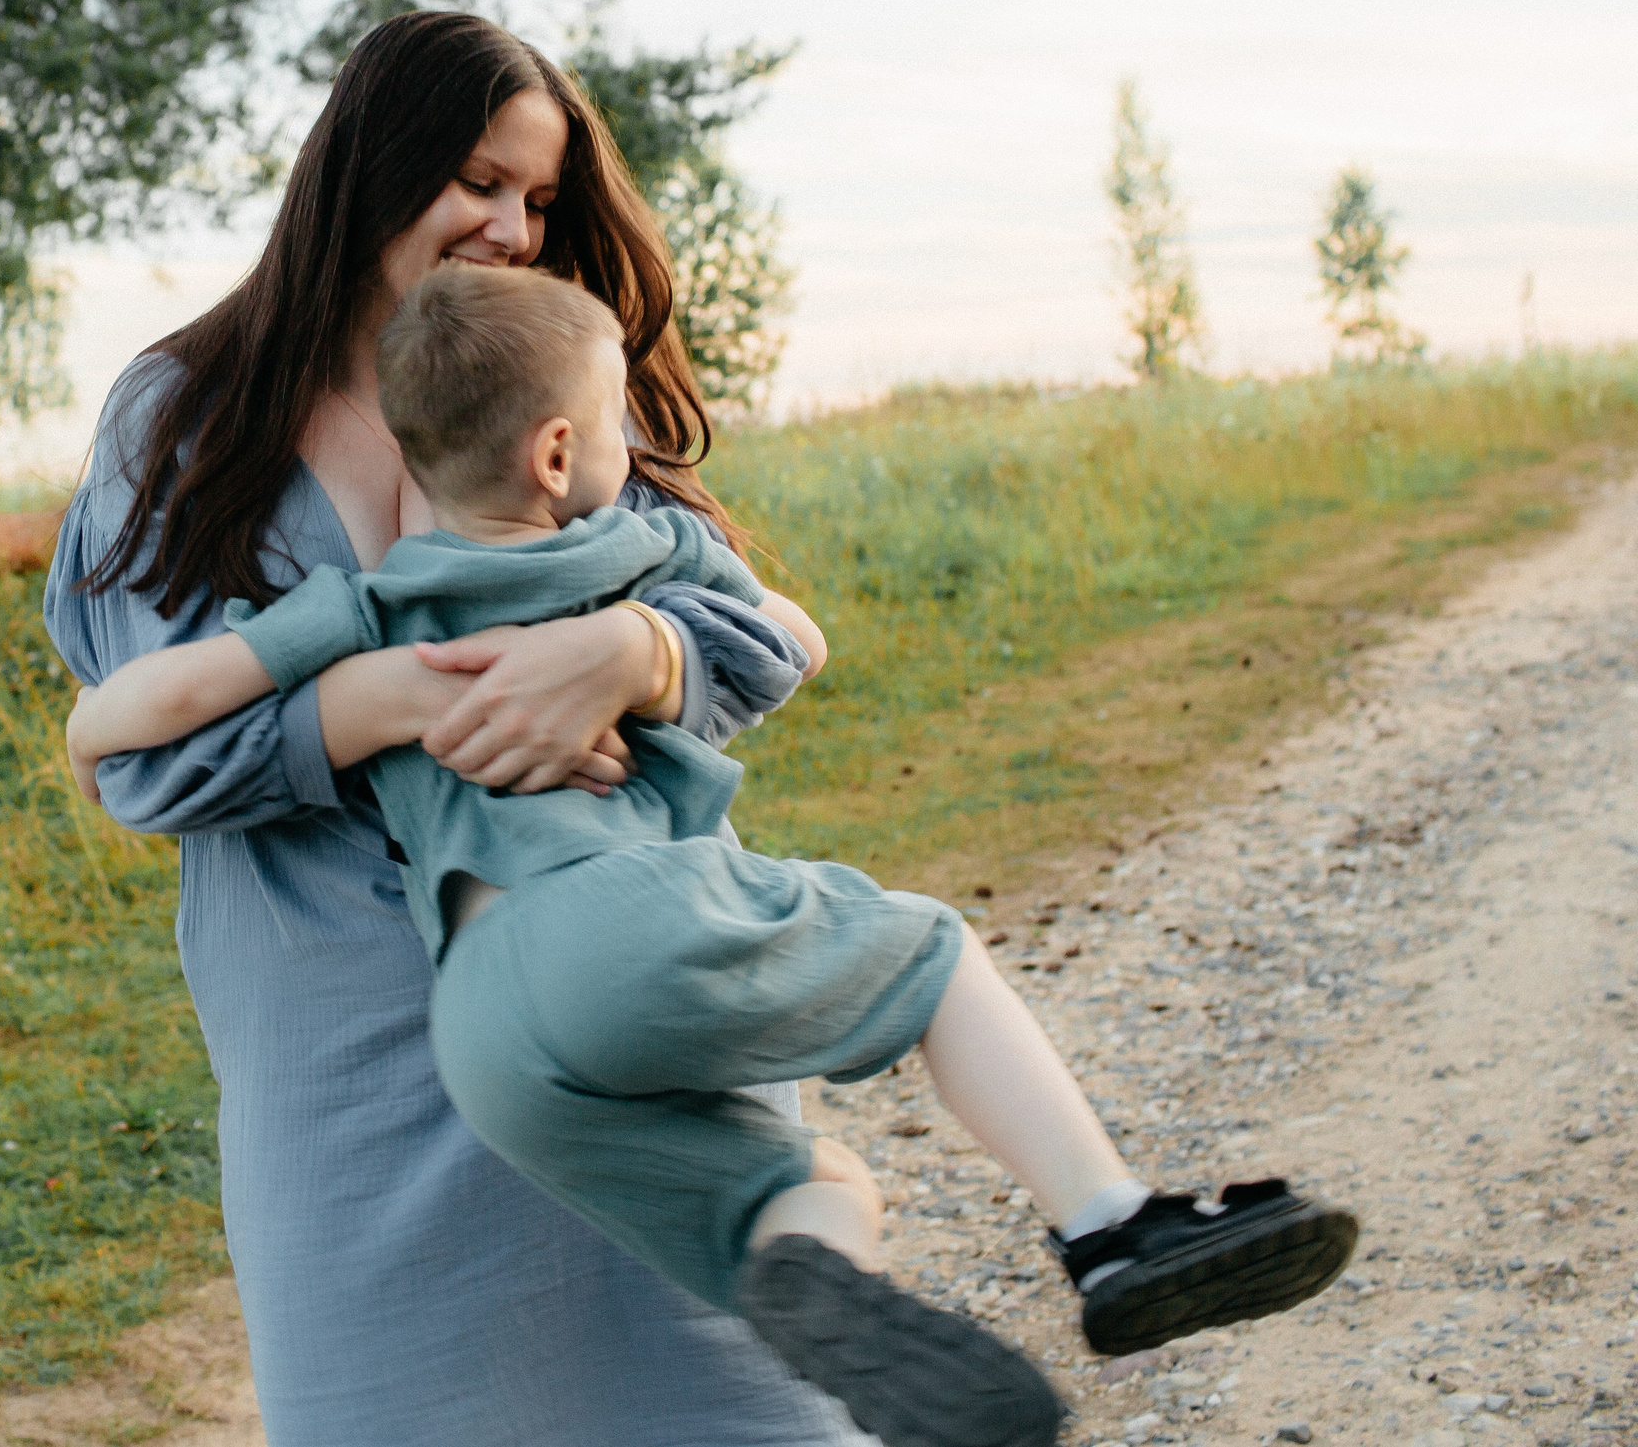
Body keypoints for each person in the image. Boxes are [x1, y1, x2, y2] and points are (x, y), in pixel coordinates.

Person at [67, 263, 1362, 1447]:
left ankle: (823, 1279)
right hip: (618, 921)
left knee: (799, 1196)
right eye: (621, 421)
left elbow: (142, 712)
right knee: (934, 955)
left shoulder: (366, 604)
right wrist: (643, 644)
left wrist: (131, 721)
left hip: (482, 1027)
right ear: (561, 448)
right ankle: (1111, 1225)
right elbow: (791, 636)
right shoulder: (633, 543)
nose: (636, 445)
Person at [44, 10, 852, 1446]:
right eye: (480, 181)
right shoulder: (183, 421)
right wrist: (379, 702)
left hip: (614, 997)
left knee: (745, 1414)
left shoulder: (535, 378)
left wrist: (633, 649)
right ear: (372, 166)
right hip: (346, 1057)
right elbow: (147, 759)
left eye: (539, 200)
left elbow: (745, 629)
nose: (511, 228)